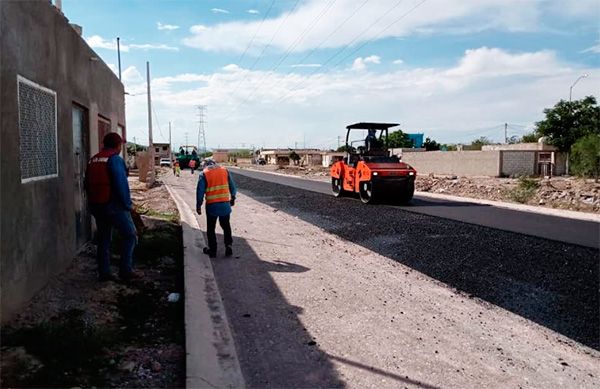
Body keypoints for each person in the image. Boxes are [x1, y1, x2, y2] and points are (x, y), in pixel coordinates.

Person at [85, 132, 137, 282]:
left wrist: (93, 202)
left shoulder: (93, 159)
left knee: (104, 238)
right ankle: (125, 271)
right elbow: (121, 185)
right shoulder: (114, 159)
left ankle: (104, 272)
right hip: (113, 205)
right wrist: (128, 205)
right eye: (121, 145)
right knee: (130, 235)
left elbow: (86, 183)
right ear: (117, 145)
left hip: (96, 205)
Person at [196, 160, 237, 258]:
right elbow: (233, 187)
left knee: (211, 229)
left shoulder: (204, 173)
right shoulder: (224, 170)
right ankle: (228, 245)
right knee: (226, 226)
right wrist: (233, 198)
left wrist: (198, 206)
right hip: (225, 205)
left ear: (205, 166)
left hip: (212, 206)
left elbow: (200, 192)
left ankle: (213, 251)